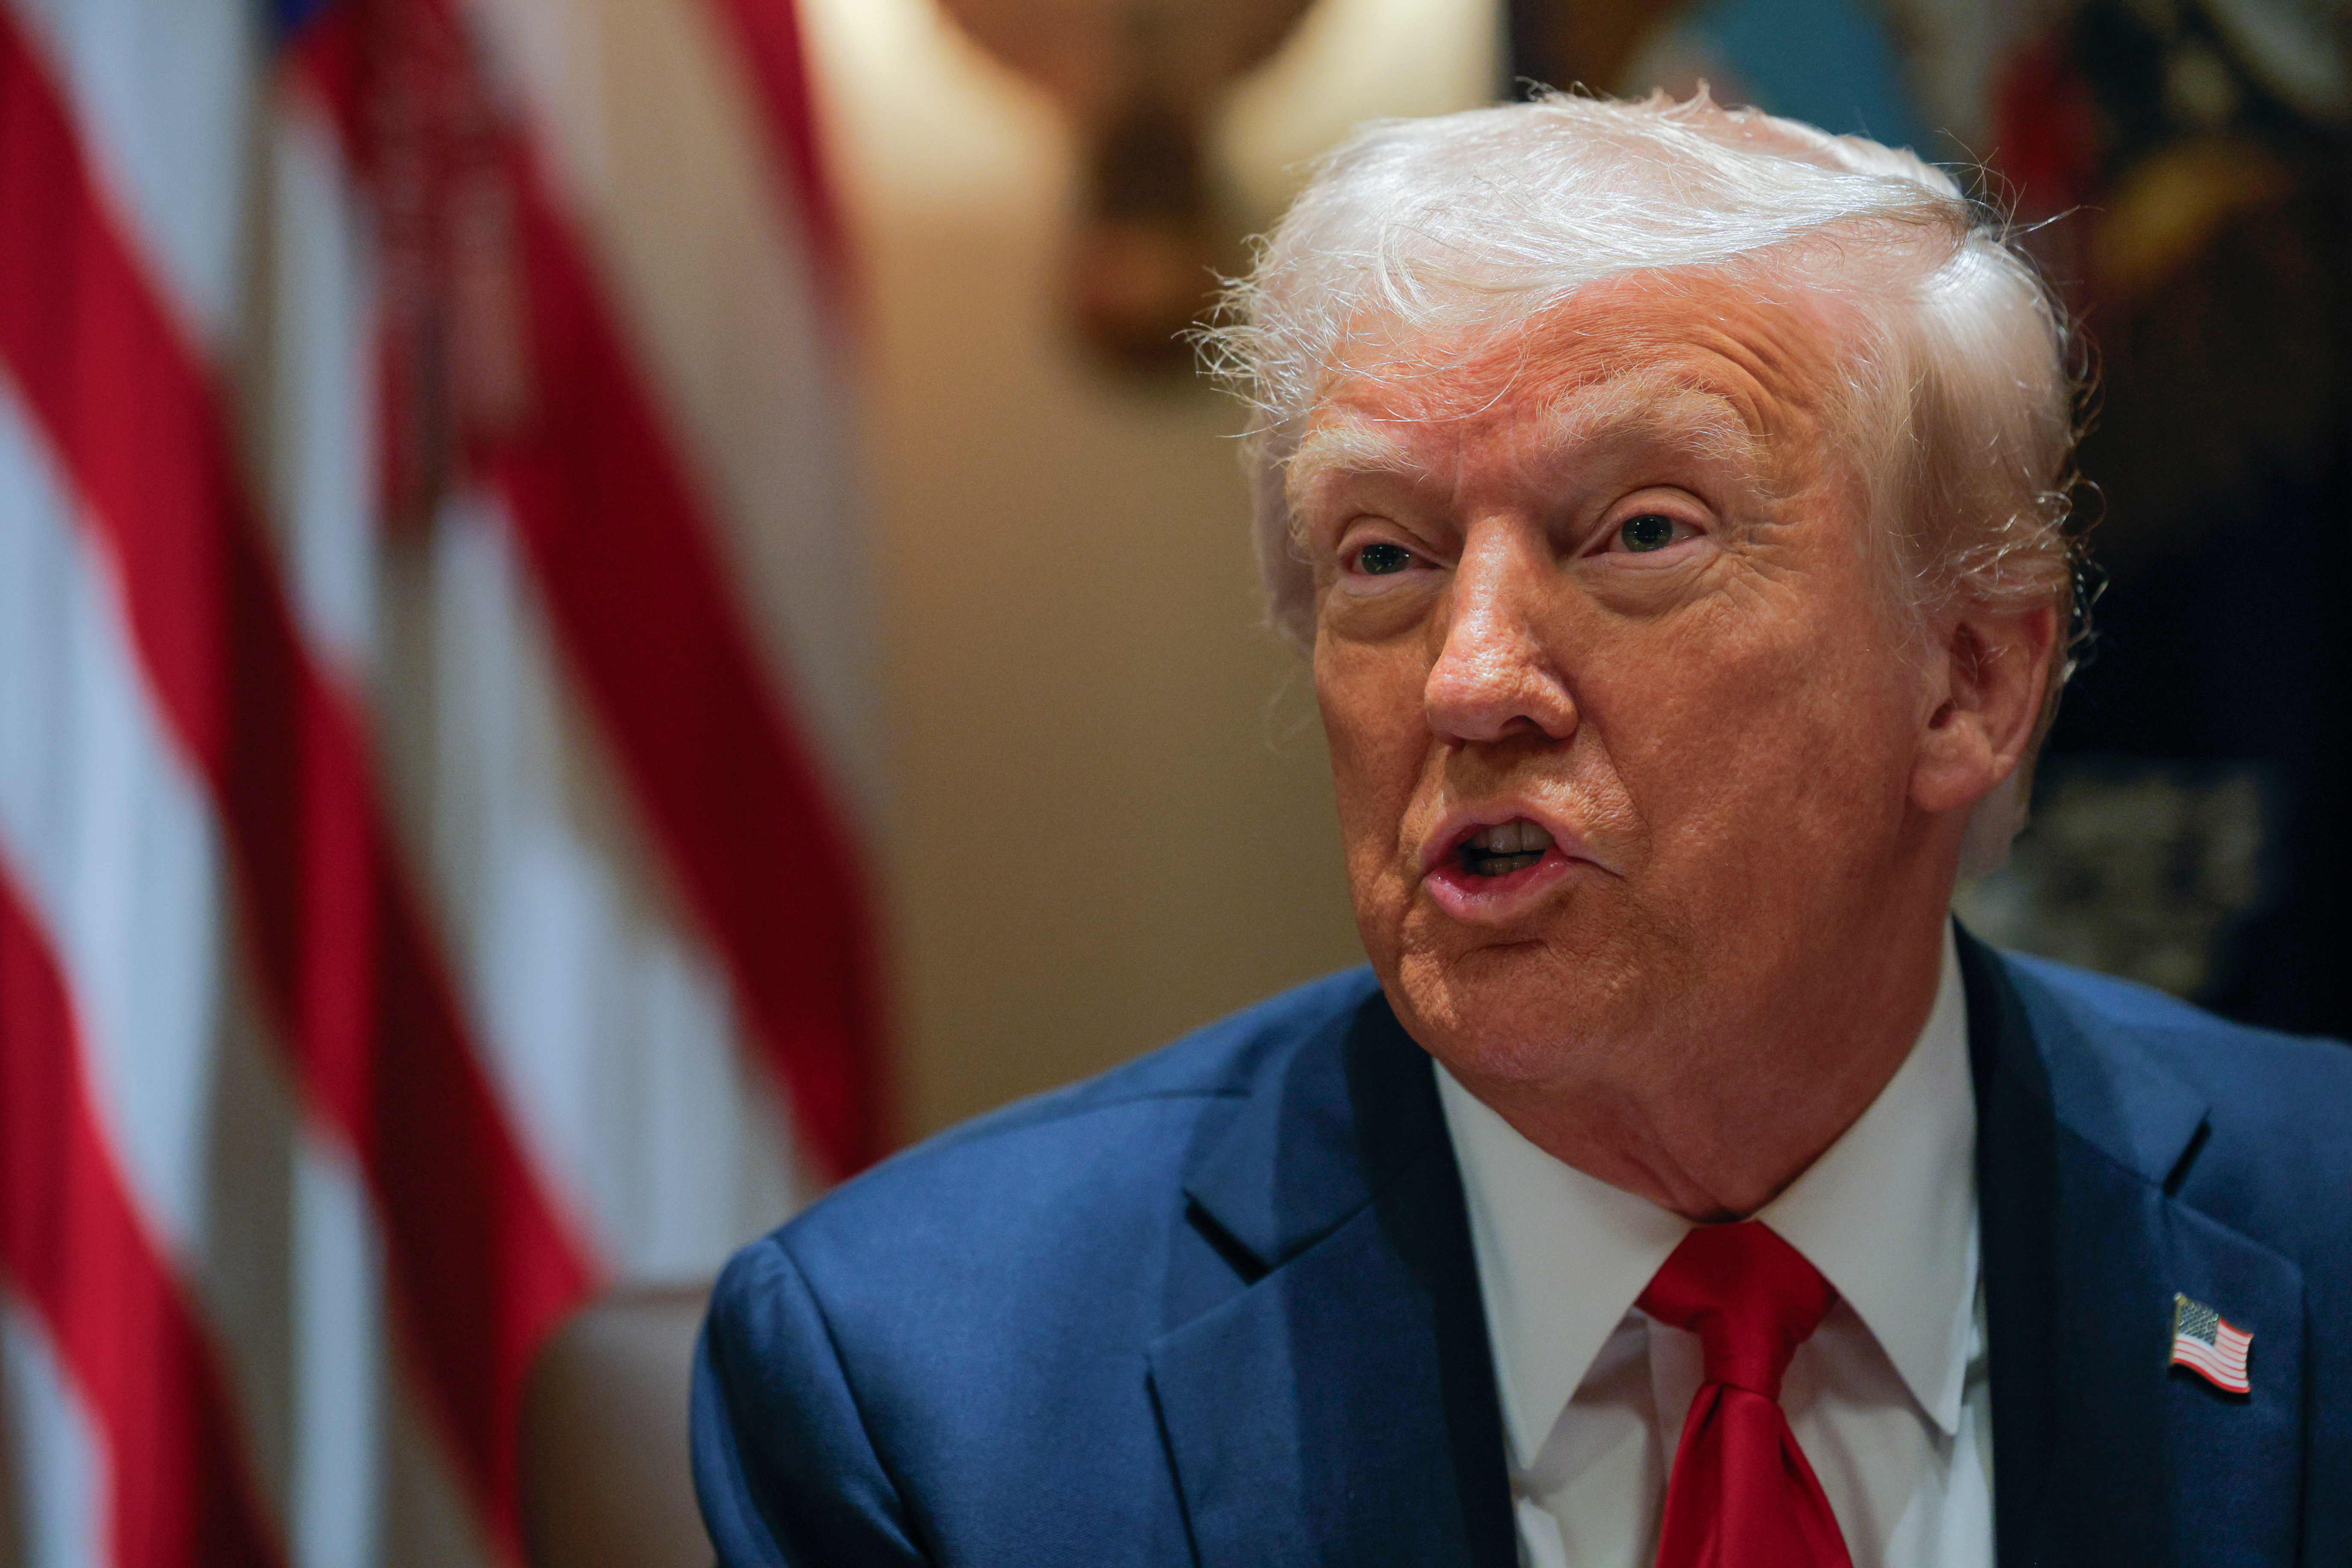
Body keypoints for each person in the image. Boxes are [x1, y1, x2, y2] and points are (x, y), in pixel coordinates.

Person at [690, 92, 2352, 1567]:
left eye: (1636, 531)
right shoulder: (928, 1391)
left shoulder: (2318, 1231)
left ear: (1970, 681)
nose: (1470, 681)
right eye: (1383, 559)